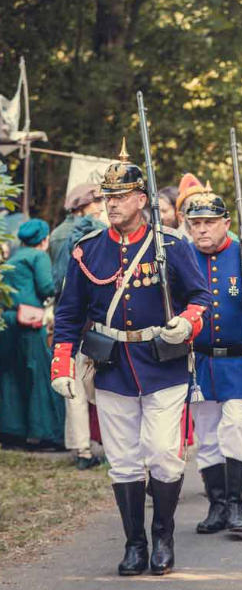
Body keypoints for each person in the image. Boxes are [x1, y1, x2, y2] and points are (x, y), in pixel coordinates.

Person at [51, 142, 210, 576]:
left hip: (164, 362)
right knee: (121, 461)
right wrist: (62, 363)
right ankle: (134, 543)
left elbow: (200, 297)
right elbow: (68, 314)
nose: (112, 205)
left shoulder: (171, 246)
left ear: (141, 200)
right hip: (113, 366)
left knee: (162, 453)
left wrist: (187, 323)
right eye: (107, 197)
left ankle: (163, 535)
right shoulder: (89, 250)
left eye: (120, 197)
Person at [185, 190, 242, 536]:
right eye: (196, 223)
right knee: (207, 436)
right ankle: (217, 505)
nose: (202, 229)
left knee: (237, 426)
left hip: (239, 362)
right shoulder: (181, 259)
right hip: (198, 363)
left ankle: (237, 504)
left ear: (226, 223)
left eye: (209, 222)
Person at [47, 182, 107, 469]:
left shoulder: (57, 233)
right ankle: (107, 445)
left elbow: (54, 280)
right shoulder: (93, 230)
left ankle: (82, 449)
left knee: (74, 389)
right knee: (101, 386)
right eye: (98, 202)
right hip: (90, 320)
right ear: (87, 206)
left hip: (65, 313)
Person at [0, 219, 65, 450]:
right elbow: (47, 287)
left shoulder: (13, 258)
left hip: (7, 320)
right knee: (39, 374)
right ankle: (46, 434)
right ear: (44, 239)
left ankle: (11, 431)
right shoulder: (38, 257)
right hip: (30, 321)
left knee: (10, 375)